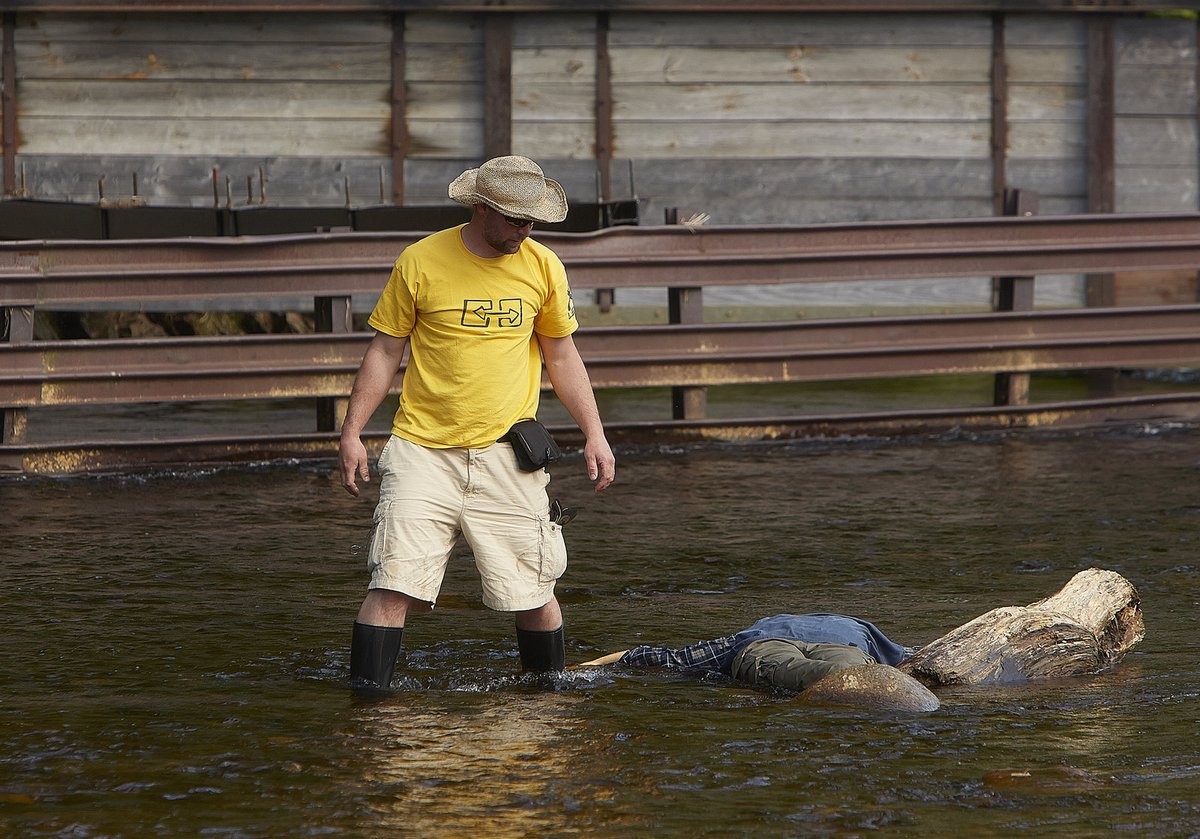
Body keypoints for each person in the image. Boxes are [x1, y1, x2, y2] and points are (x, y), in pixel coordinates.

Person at [339, 155, 616, 690]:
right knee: (391, 582)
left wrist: (595, 433)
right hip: (422, 451)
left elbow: (561, 355)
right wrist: (352, 433)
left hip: (508, 454)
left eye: (532, 221)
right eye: (515, 219)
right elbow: (384, 349)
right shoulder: (420, 261)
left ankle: (544, 705)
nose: (525, 230)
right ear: (481, 207)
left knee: (535, 589)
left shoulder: (543, 266)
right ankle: (368, 713)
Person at [578, 613, 909, 693]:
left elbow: (666, 657)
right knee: (857, 679)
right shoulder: (857, 626)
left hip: (762, 647)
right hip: (847, 645)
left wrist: (589, 665)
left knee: (820, 678)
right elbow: (919, 659)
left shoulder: (755, 630)